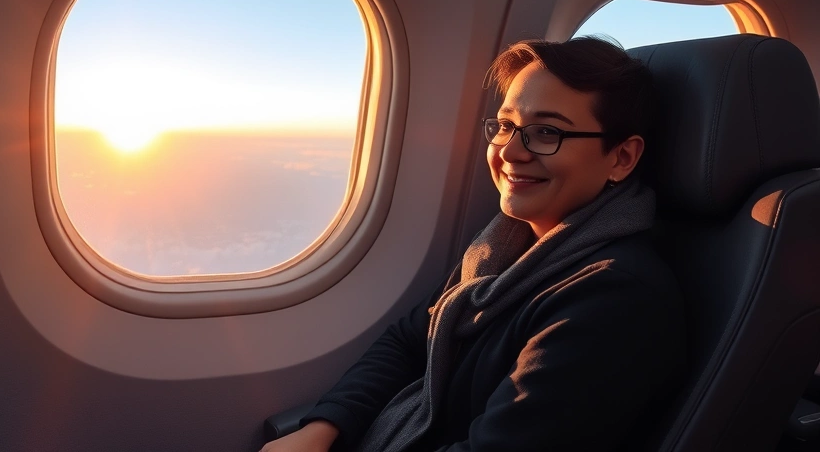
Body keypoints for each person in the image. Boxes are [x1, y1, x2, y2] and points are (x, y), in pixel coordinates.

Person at [261, 37, 685, 452]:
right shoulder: (505, 246)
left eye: (546, 132)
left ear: (621, 157)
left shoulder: (614, 299)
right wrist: (323, 427)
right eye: (505, 126)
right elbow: (410, 340)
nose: (510, 152)